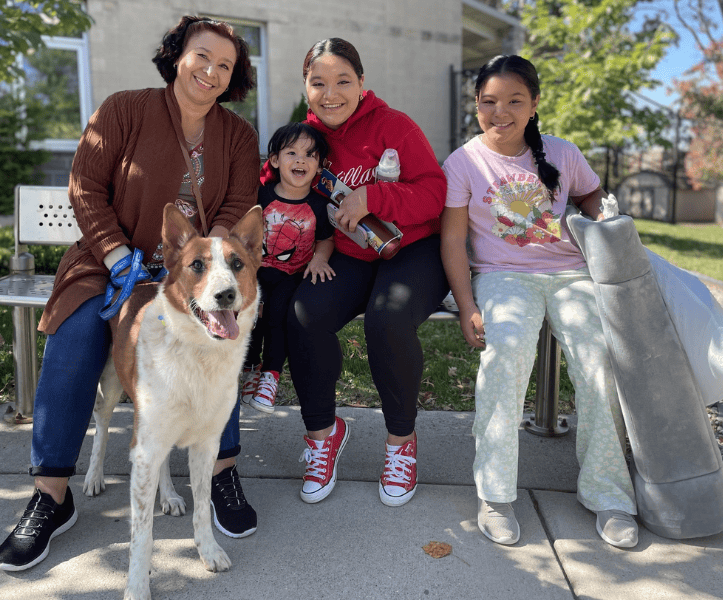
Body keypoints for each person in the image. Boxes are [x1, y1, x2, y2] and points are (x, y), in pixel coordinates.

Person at [0, 16, 261, 572]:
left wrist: (201, 264)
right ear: (176, 55)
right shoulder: (123, 109)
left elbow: (238, 214)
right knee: (75, 335)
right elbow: (85, 186)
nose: (211, 72)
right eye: (201, 57)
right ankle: (51, 494)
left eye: (225, 65)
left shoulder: (237, 136)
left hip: (190, 270)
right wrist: (119, 257)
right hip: (108, 261)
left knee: (219, 337)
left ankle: (220, 471)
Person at [440, 54, 639, 548]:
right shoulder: (463, 161)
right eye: (488, 102)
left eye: (514, 101)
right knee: (505, 356)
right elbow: (452, 240)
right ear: (477, 104)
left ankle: (609, 494)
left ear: (533, 105)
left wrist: (603, 220)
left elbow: (594, 199)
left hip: (572, 275)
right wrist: (467, 305)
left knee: (599, 362)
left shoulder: (563, 153)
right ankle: (495, 493)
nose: (499, 111)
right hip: (504, 278)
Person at [268, 38, 450, 508]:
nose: (331, 93)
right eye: (319, 83)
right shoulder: (305, 141)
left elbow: (434, 193)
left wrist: (375, 199)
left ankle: (400, 443)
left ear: (362, 83)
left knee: (386, 320)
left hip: (413, 249)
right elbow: (273, 183)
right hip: (345, 253)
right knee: (303, 314)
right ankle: (323, 435)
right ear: (305, 87)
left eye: (343, 81)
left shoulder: (394, 125)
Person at [241, 123, 335, 413]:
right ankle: (249, 368)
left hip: (292, 276)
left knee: (278, 313)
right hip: (256, 273)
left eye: (309, 154)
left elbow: (326, 239)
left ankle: (271, 376)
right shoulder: (261, 196)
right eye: (291, 152)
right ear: (274, 160)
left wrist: (320, 259)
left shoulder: (319, 205)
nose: (300, 160)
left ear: (319, 165)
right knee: (251, 313)